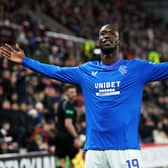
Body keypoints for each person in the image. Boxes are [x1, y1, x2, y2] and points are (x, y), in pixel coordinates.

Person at [0, 24, 168, 168]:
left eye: (111, 34)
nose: (106, 37)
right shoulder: (86, 71)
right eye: (102, 34)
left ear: (118, 41)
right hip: (94, 150)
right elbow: (56, 71)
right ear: (98, 42)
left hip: (125, 149)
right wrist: (25, 61)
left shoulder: (136, 68)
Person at [55, 84, 82, 168]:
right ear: (66, 92)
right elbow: (68, 124)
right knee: (74, 161)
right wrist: (76, 137)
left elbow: (57, 119)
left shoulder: (60, 103)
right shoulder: (68, 105)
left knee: (61, 161)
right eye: (71, 92)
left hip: (59, 134)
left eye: (75, 92)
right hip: (68, 136)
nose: (74, 94)